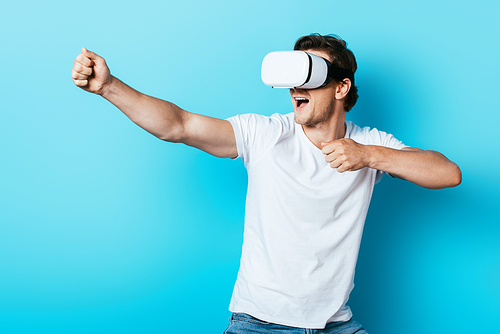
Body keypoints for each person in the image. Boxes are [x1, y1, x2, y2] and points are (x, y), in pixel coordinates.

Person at [71, 34, 461, 334]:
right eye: (293, 78)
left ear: (341, 88)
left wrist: (370, 156)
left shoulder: (371, 144)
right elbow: (179, 125)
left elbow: (448, 173)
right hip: (259, 323)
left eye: (310, 77)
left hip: (336, 323)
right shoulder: (266, 134)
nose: (296, 88)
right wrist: (109, 86)